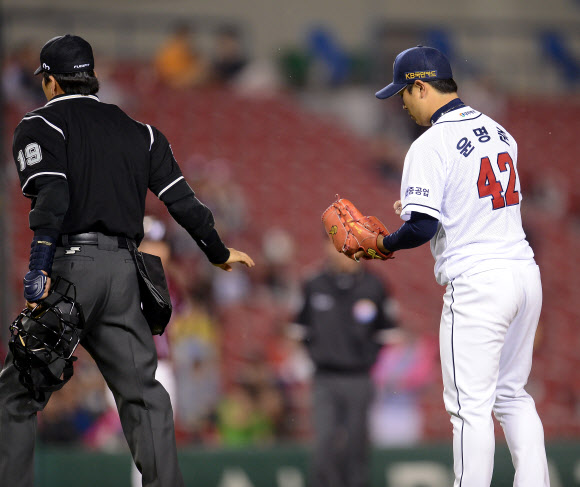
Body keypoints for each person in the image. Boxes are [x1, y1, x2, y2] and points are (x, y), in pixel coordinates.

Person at [0, 34, 254, 487]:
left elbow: (53, 196)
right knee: (145, 398)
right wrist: (216, 251)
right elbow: (183, 201)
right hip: (124, 275)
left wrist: (39, 263)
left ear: (52, 82)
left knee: (17, 395)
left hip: (70, 269)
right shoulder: (143, 132)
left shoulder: (41, 124)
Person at [370, 46, 549, 487]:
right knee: (512, 396)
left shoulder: (430, 143)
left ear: (420, 85)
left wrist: (383, 243)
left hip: (479, 283)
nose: (403, 103)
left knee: (470, 407)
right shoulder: (500, 131)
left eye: (404, 94)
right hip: (523, 273)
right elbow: (470, 203)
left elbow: (422, 228)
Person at [289, 240, 397, 487]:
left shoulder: (375, 285)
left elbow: (389, 333)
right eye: (332, 242)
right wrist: (309, 361)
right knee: (324, 443)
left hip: (359, 377)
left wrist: (371, 363)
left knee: (356, 443)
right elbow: (298, 330)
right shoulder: (313, 283)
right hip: (324, 377)